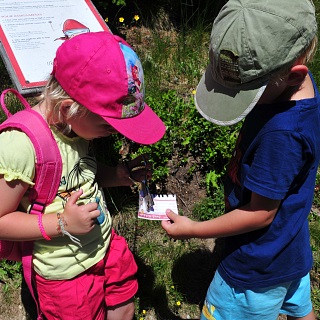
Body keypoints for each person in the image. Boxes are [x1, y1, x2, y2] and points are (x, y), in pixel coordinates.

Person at [161, 0, 320, 319]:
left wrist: (194, 228)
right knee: (299, 309)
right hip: (288, 249)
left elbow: (260, 214)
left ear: (292, 75)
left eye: (247, 90)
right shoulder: (300, 94)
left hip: (253, 267)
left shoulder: (283, 135)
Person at [0, 31, 166, 320]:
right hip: (65, 272)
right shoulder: (20, 145)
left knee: (124, 306)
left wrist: (117, 174)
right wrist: (62, 223)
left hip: (104, 245)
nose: (114, 133)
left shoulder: (75, 127)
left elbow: (79, 174)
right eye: (109, 125)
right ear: (68, 108)